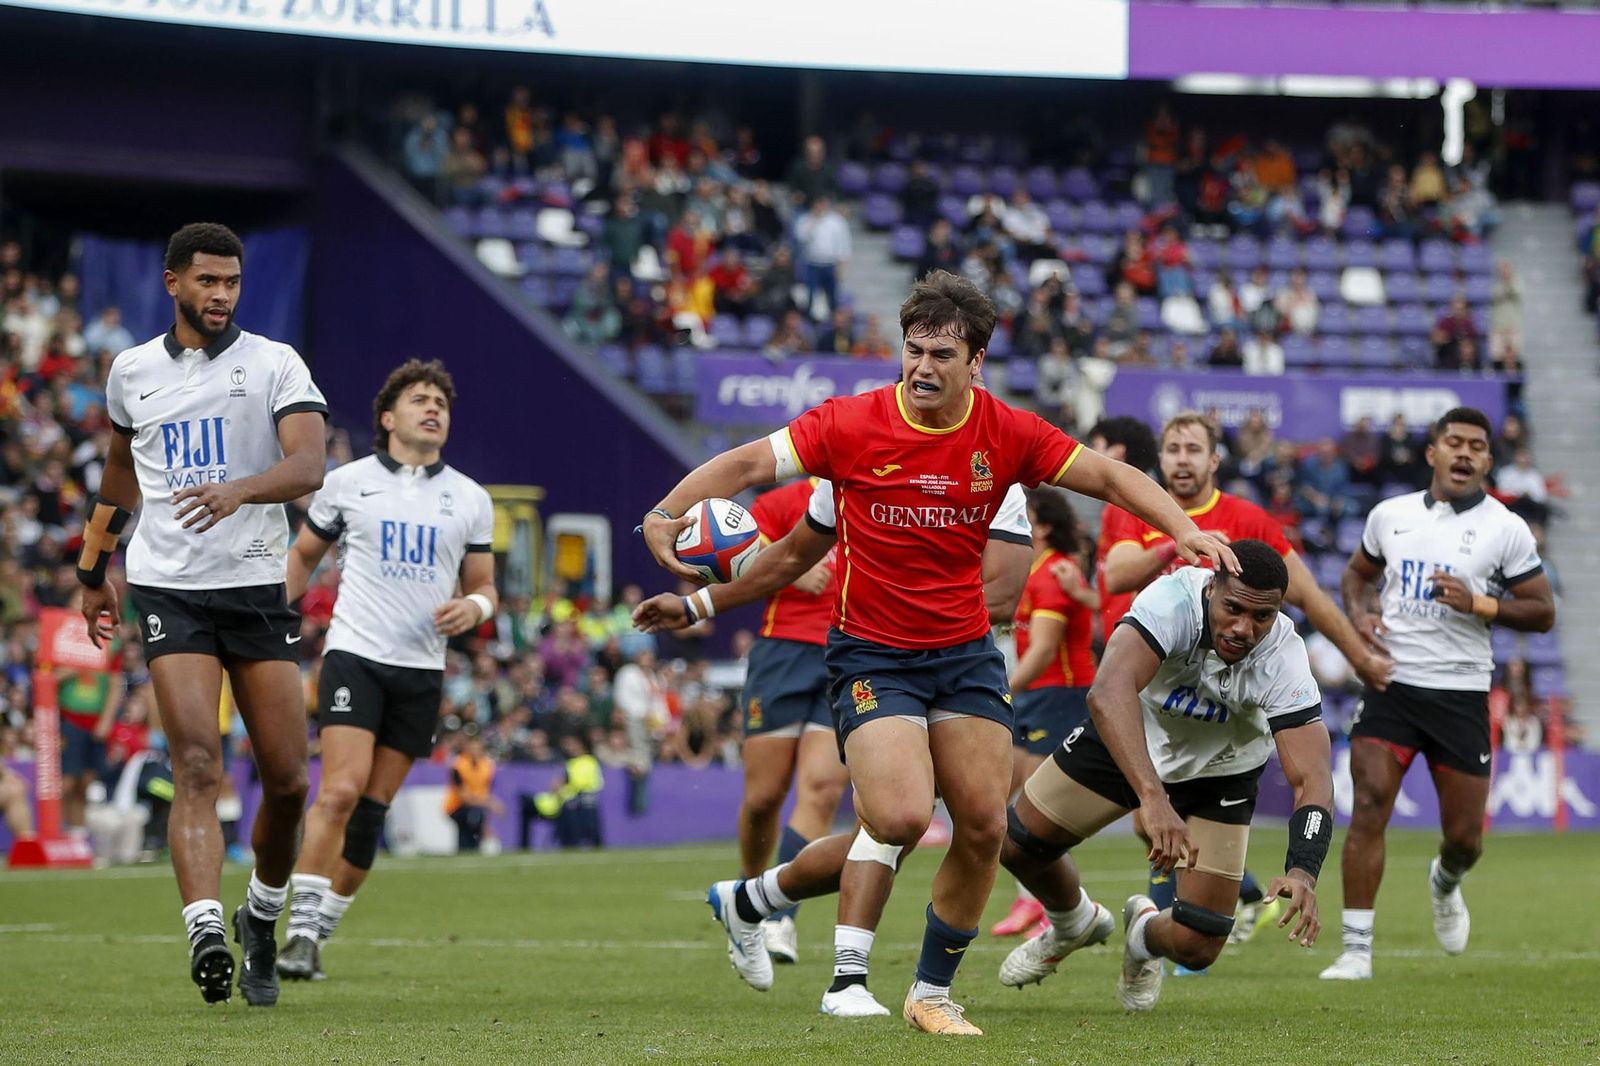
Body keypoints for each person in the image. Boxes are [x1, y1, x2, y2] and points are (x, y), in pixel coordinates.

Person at [633, 271, 1233, 1036]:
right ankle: (816, 946)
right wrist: (665, 511)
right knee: (902, 814)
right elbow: (749, 466)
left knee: (986, 824)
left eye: (941, 355)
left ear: (975, 361)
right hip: (872, 656)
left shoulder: (1008, 434)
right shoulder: (850, 424)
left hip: (965, 655)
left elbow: (1109, 475)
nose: (922, 368)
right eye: (914, 350)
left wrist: (1179, 527)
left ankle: (930, 993)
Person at [78, 222, 328, 1006]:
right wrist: (93, 568)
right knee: (195, 764)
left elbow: (309, 465)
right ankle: (205, 928)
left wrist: (238, 490)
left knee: (288, 783)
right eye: (207, 281)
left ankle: (261, 915)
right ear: (172, 282)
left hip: (256, 591)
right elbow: (122, 473)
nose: (221, 295)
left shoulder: (275, 363)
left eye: (231, 283)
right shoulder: (132, 372)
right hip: (169, 591)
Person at [995, 541, 1332, 1012]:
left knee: (1198, 944)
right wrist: (1151, 797)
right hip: (1133, 738)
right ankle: (1074, 921)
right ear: (1211, 587)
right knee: (1014, 842)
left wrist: (1304, 870)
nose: (1243, 628)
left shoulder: (1284, 657)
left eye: (1262, 617)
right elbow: (1108, 692)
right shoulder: (1171, 600)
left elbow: (1312, 778)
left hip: (1222, 773)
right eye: (1233, 608)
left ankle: (1142, 938)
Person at [1099, 412, 1391, 945]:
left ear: (1214, 460)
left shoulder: (1247, 518)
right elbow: (1114, 576)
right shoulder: (1136, 506)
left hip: (1213, 700)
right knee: (1148, 817)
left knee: (1171, 823)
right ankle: (1208, 905)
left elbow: (1307, 597)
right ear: (1160, 458)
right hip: (1137, 685)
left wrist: (1361, 659)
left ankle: (1173, 930)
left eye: (1194, 449)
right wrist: (1181, 539)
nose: (1182, 459)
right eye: (1173, 449)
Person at [276, 359, 496, 982]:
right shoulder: (347, 483)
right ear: (388, 417)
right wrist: (268, 618)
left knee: (371, 813)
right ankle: (295, 933)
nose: (433, 409)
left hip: (422, 671)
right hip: (355, 656)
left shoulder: (472, 500)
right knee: (340, 791)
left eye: (442, 404)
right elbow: (303, 557)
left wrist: (473, 607)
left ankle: (315, 937)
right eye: (420, 399)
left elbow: (485, 588)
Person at [1323, 407, 1556, 981]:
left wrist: (1480, 603)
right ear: (1432, 452)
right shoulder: (1390, 516)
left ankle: (1445, 882)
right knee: (1370, 804)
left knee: (1464, 839)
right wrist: (1360, 612)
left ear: (1487, 461)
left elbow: (1543, 611)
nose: (1465, 452)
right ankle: (1356, 950)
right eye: (1454, 441)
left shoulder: (1507, 529)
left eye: (1477, 445)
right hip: (1392, 683)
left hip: (1461, 692)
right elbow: (1356, 576)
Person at [734, 478, 851, 965]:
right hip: (781, 652)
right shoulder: (780, 503)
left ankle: (780, 914)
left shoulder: (880, 498)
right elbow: (736, 558)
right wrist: (790, 569)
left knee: (822, 788)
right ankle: (746, 902)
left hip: (851, 652)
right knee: (763, 798)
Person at [989, 488, 1097, 938]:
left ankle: (1045, 903)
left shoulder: (1056, 571)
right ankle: (1031, 899)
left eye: (1025, 517)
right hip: (1035, 694)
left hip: (1061, 695)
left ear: (1044, 525)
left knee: (1030, 804)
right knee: (1001, 800)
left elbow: (1045, 650)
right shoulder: (1030, 570)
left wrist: (998, 692)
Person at [445, 734, 496, 851]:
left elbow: (486, 789)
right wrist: (488, 803)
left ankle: (473, 847)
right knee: (475, 816)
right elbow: (464, 796)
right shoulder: (458, 765)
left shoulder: (487, 765)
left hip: (477, 805)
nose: (475, 750)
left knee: (478, 815)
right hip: (457, 806)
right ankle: (467, 847)